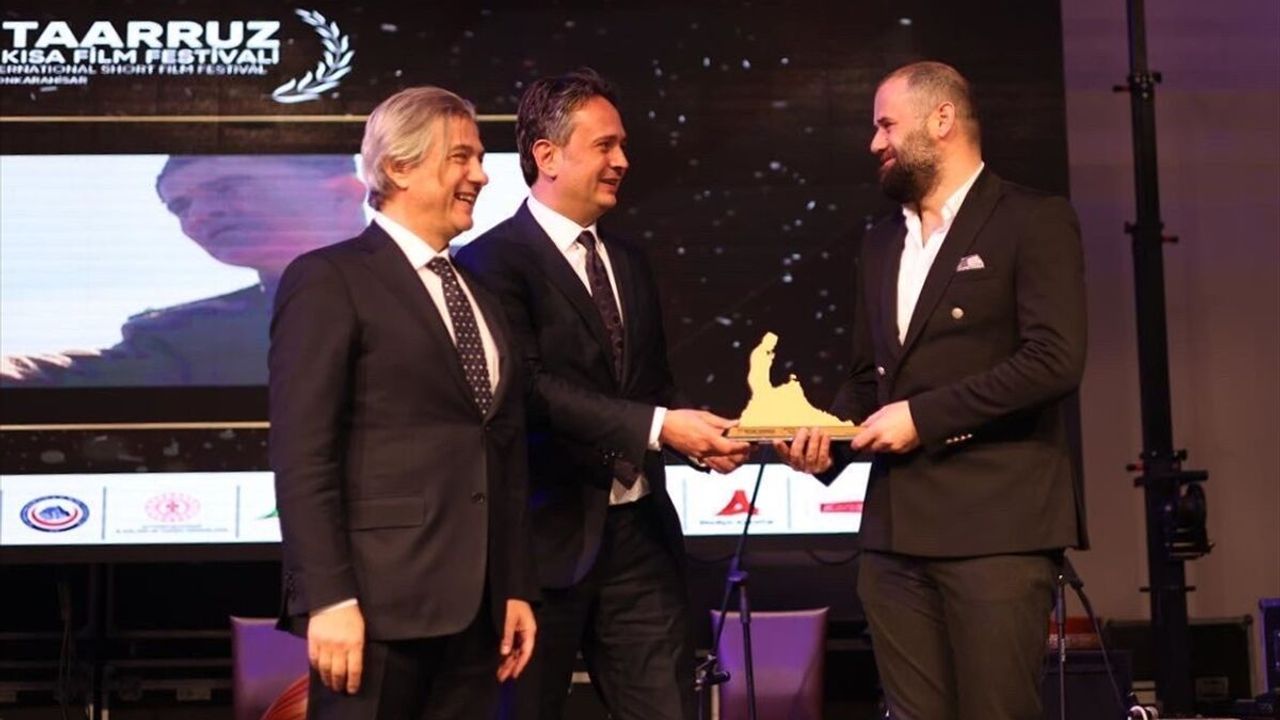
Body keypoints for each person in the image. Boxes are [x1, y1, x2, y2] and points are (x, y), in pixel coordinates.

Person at [776, 61, 1088, 720]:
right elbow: (869, 377)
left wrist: (923, 418)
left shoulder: (1032, 219)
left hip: (996, 531)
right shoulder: (880, 242)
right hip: (893, 536)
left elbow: (1054, 361)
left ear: (941, 119)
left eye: (886, 125)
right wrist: (826, 440)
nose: (875, 143)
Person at [454, 69, 751, 720]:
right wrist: (660, 427)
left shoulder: (630, 261)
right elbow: (527, 389)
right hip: (539, 548)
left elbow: (652, 387)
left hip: (642, 540)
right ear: (547, 156)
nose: (623, 161)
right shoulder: (489, 264)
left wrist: (699, 441)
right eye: (605, 145)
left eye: (623, 146)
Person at [269, 86, 537, 719]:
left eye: (479, 158)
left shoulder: (479, 291)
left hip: (477, 619)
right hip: (374, 612)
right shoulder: (329, 279)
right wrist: (328, 598)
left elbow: (500, 448)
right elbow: (303, 454)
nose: (481, 175)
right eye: (461, 157)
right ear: (398, 167)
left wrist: (514, 586)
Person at [0, 154, 367, 386]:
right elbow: (53, 378)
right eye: (180, 206)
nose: (200, 214)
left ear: (343, 193)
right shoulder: (191, 339)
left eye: (226, 188)